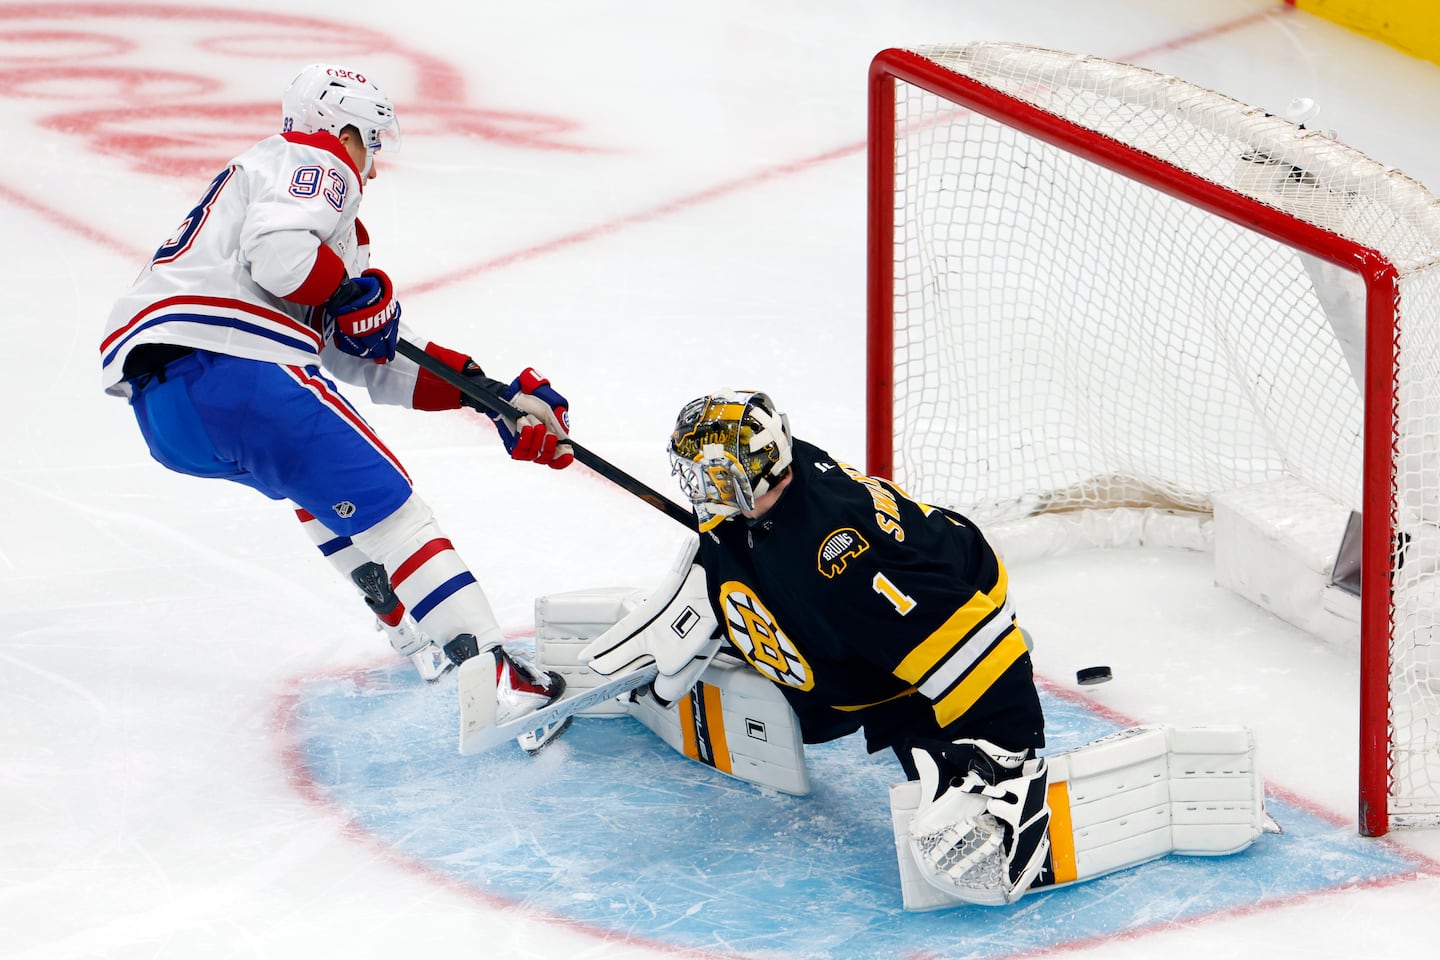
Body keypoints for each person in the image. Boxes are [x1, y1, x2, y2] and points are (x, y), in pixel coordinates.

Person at [100, 63, 573, 750]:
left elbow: (368, 359)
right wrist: (350, 297)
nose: (371, 169)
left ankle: (401, 620)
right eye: (371, 143)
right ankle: (499, 677)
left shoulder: (264, 190)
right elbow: (282, 259)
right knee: (393, 507)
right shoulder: (312, 163)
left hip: (169, 411)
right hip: (234, 369)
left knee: (311, 478)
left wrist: (490, 396)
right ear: (341, 127)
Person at [586, 389, 1051, 900]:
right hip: (861, 587)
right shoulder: (770, 481)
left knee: (911, 693)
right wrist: (717, 578)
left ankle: (930, 719)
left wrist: (1009, 760)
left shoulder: (839, 558)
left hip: (948, 603)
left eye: (711, 478)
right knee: (817, 658)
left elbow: (983, 654)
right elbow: (740, 525)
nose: (699, 490)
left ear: (747, 476)